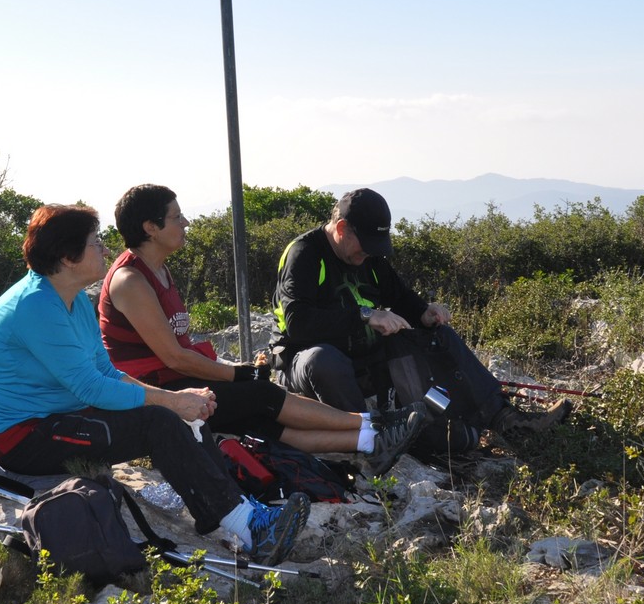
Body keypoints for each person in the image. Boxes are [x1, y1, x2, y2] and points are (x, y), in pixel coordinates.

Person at [0, 203, 309, 564]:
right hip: (23, 437)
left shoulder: (71, 299)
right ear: (68, 257)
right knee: (158, 421)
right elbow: (91, 388)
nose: (105, 249)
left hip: (62, 416)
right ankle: (248, 528)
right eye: (95, 242)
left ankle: (243, 514)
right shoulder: (35, 306)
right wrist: (170, 402)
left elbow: (106, 372)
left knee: (181, 413)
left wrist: (176, 399)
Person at [97, 184, 426, 477]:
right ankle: (376, 424)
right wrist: (238, 374)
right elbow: (175, 358)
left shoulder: (159, 270)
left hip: (176, 381)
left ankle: (370, 441)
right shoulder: (131, 280)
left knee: (260, 423)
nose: (185, 222)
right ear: (150, 228)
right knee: (261, 394)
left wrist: (232, 372)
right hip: (155, 391)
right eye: (176, 217)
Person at [270, 188, 572, 456]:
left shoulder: (369, 257)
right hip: (305, 365)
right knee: (323, 360)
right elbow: (298, 323)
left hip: (363, 359)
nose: (369, 253)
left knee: (439, 337)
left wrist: (425, 313)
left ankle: (505, 420)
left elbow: (400, 297)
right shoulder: (305, 253)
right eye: (366, 244)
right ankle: (371, 440)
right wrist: (367, 315)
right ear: (341, 229)